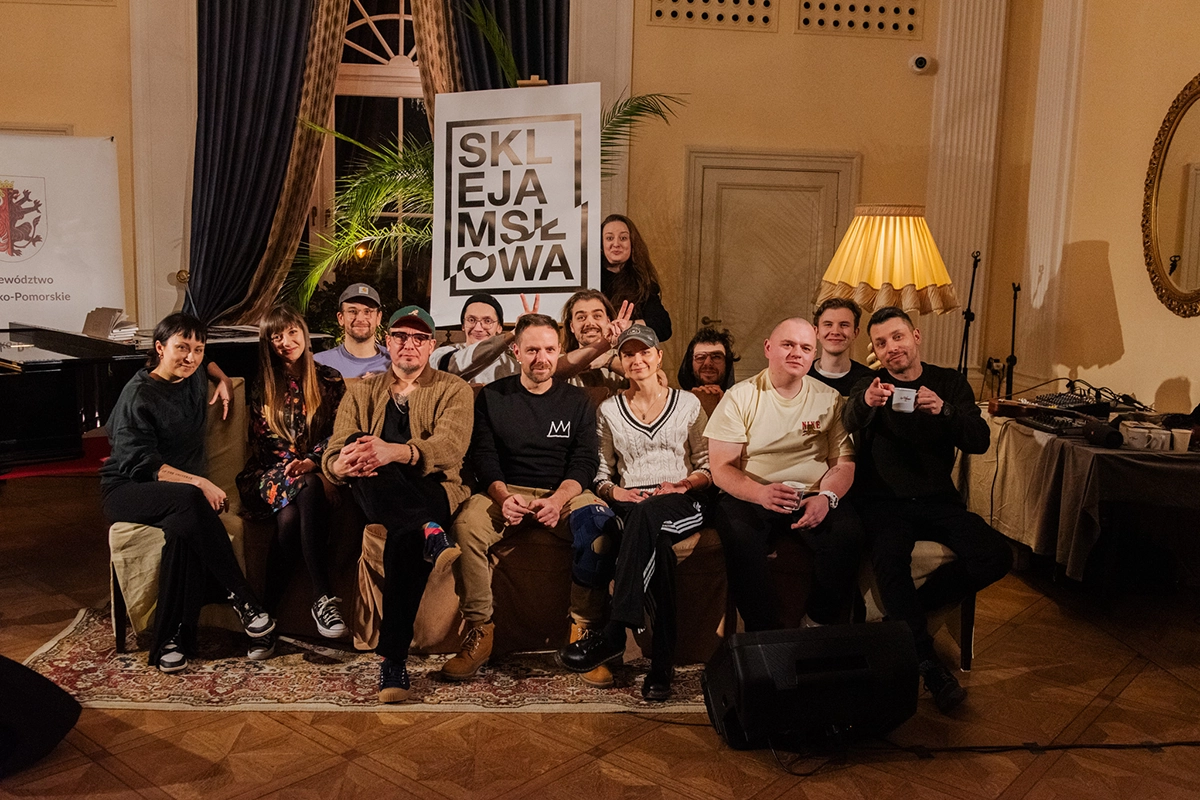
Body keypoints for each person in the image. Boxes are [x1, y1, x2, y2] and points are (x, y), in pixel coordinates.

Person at [843, 306, 1012, 714]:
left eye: (897, 337)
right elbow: (848, 418)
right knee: (890, 560)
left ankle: (905, 621)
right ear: (875, 351)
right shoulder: (871, 385)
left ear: (915, 336)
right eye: (881, 343)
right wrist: (866, 402)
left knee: (997, 555)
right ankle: (928, 665)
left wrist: (945, 411)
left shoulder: (948, 383)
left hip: (938, 500)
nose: (891, 347)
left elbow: (979, 439)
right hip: (884, 502)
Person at [444, 313, 618, 686]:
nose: (542, 358)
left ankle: (584, 637)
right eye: (533, 350)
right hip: (506, 490)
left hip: (565, 493)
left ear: (559, 351)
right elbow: (484, 458)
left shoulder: (578, 400)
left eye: (550, 350)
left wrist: (558, 500)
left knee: (600, 530)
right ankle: (480, 631)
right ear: (517, 352)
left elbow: (585, 462)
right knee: (465, 527)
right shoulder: (492, 396)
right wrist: (503, 496)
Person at [100, 313, 275, 674]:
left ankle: (173, 639)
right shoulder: (139, 394)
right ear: (159, 348)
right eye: (181, 348)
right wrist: (199, 482)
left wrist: (221, 378)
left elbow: (207, 361)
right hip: (129, 488)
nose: (190, 357)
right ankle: (243, 598)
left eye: (197, 349)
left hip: (177, 497)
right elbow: (141, 466)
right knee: (192, 501)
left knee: (184, 531)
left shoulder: (193, 373)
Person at [323, 305, 474, 704]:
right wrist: (338, 464)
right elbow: (337, 448)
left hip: (433, 488)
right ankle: (429, 530)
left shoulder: (453, 389)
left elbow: (450, 447)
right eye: (401, 336)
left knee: (404, 537)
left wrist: (395, 452)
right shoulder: (361, 392)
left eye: (419, 337)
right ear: (387, 342)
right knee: (355, 441)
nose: (410, 344)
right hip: (373, 488)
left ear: (432, 345)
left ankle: (392, 660)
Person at [555, 325, 711, 701]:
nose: (637, 360)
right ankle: (661, 665)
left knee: (646, 519)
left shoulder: (688, 404)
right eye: (628, 354)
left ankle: (614, 631)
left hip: (680, 498)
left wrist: (684, 485)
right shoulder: (608, 409)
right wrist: (615, 491)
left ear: (659, 357)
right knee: (656, 544)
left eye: (644, 352)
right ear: (621, 362)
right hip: (630, 500)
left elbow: (708, 465)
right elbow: (601, 473)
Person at [705, 317, 863, 632]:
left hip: (812, 494)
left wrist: (826, 497)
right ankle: (764, 634)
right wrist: (759, 493)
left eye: (805, 347)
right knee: (739, 537)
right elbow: (721, 468)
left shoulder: (829, 398)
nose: (796, 353)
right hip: (752, 493)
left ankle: (816, 623)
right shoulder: (740, 396)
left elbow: (843, 464)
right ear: (768, 348)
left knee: (849, 533)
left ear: (813, 355)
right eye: (787, 344)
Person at [236, 305, 347, 660]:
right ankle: (322, 595)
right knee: (308, 487)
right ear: (268, 343)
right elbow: (266, 440)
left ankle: (265, 621)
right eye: (276, 336)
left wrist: (315, 463)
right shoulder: (263, 383)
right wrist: (304, 469)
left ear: (304, 332)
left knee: (290, 520)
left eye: (292, 332)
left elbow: (340, 432)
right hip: (268, 476)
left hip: (311, 471)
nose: (286, 341)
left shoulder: (330, 379)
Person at [601, 214, 672, 342]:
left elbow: (663, 326)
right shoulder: (587, 278)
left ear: (632, 243)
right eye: (609, 238)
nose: (616, 244)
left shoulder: (641, 282)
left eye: (623, 238)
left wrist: (627, 325)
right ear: (601, 244)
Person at [428, 292, 520, 385]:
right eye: (471, 320)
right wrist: (512, 334)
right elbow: (454, 366)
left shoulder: (513, 368)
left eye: (487, 321)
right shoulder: (441, 354)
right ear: (463, 325)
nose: (478, 328)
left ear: (499, 327)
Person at [556, 289, 634, 392]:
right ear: (572, 326)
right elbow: (551, 372)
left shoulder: (624, 357)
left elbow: (653, 379)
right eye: (581, 317)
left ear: (608, 321)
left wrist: (607, 361)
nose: (589, 322)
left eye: (597, 316)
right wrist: (602, 344)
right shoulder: (560, 360)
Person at [313, 283, 390, 378]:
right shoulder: (320, 363)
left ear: (378, 317)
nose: (360, 319)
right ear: (341, 318)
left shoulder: (395, 363)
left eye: (367, 312)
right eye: (352, 311)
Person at [808, 298, 875, 396]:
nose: (835, 332)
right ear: (816, 331)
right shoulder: (801, 376)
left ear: (855, 333)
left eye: (844, 325)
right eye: (828, 324)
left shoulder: (870, 380)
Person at [676, 326, 739, 404]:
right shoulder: (677, 403)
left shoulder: (740, 404)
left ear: (727, 364)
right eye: (700, 357)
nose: (708, 363)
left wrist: (726, 404)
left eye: (716, 357)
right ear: (690, 363)